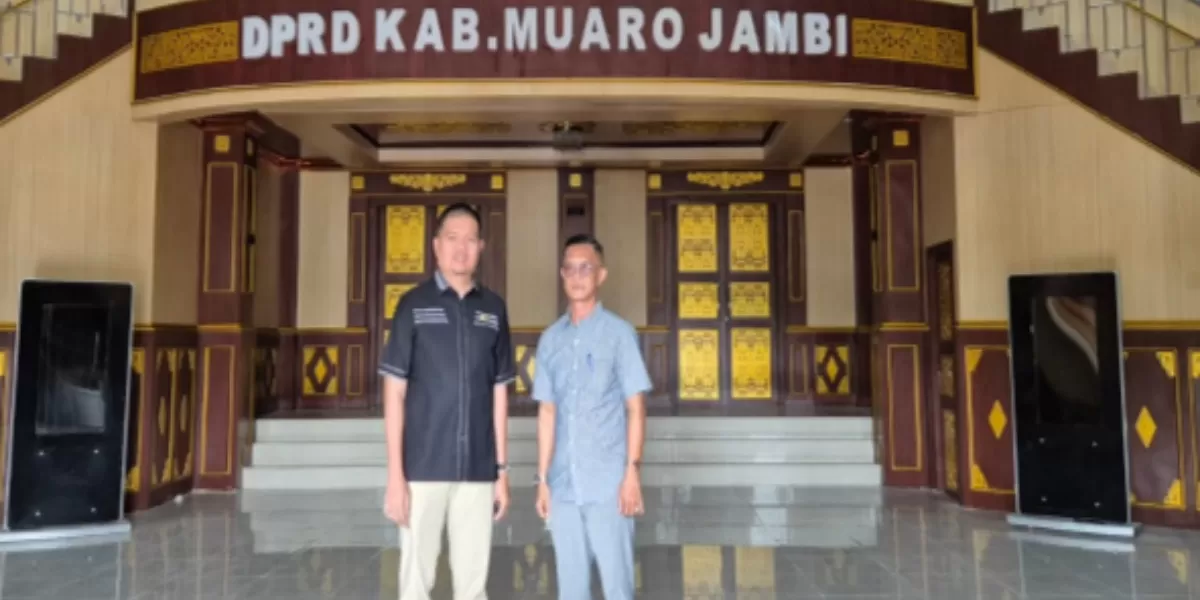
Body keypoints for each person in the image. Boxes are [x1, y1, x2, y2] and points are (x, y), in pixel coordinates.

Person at [379, 202, 514, 600]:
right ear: (436, 246)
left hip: (477, 467)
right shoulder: (412, 305)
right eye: (452, 239)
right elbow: (394, 392)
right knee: (415, 582)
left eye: (470, 240)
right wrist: (395, 476)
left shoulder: (493, 309)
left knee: (473, 585)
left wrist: (501, 471)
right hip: (422, 467)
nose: (461, 248)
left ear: (481, 248)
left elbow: (499, 391)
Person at [532, 233, 653, 600]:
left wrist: (632, 473)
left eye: (586, 268)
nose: (577, 275)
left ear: (601, 275)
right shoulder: (550, 340)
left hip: (608, 485)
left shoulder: (619, 334)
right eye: (570, 268)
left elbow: (635, 407)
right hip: (564, 485)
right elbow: (547, 412)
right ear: (562, 275)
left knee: (617, 587)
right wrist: (543, 479)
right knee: (570, 589)